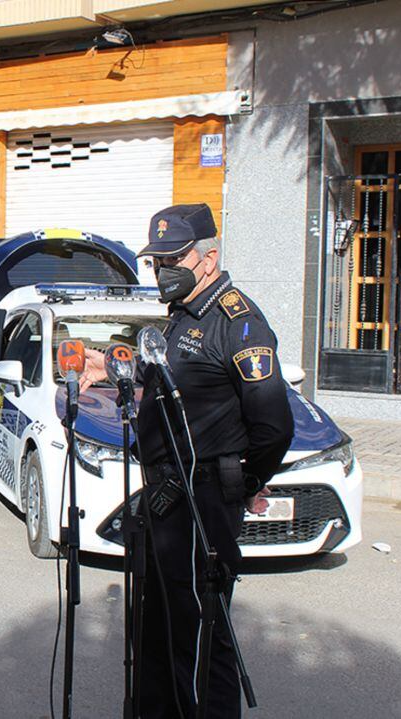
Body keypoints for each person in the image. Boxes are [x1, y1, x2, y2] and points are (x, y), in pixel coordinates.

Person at [81, 203, 293, 718]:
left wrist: (240, 481)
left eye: (173, 259)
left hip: (202, 502)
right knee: (157, 629)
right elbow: (172, 376)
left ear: (208, 257)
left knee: (198, 635)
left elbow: (273, 427)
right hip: (165, 495)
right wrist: (108, 364)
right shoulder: (183, 315)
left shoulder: (238, 323)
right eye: (156, 261)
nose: (162, 271)